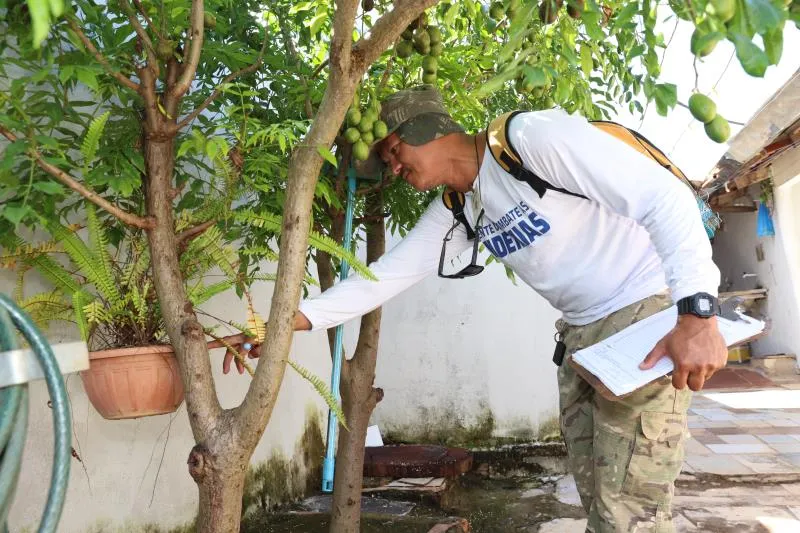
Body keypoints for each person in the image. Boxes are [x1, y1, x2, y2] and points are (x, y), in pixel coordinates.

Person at [223, 85, 728, 532]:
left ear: (424, 129)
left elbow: (663, 197)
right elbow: (382, 278)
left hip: (642, 319)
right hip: (582, 339)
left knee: (631, 512)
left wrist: (697, 313)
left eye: (393, 151)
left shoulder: (528, 139)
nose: (393, 168)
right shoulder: (460, 206)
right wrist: (282, 326)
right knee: (601, 502)